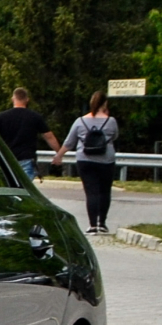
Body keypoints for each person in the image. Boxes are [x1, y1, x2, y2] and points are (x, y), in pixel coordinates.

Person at [57, 92, 119, 234]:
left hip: (85, 160)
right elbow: (115, 136)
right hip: (106, 160)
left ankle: (92, 225)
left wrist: (59, 155)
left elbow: (69, 142)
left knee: (91, 192)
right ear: (104, 104)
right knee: (104, 191)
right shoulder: (111, 121)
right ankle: (102, 223)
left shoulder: (80, 121)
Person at [0, 88, 58, 182]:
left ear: (13, 99)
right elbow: (49, 136)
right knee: (24, 190)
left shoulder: (2, 117)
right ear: (27, 100)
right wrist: (59, 152)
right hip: (26, 158)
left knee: (8, 187)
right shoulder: (34, 117)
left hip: (6, 159)